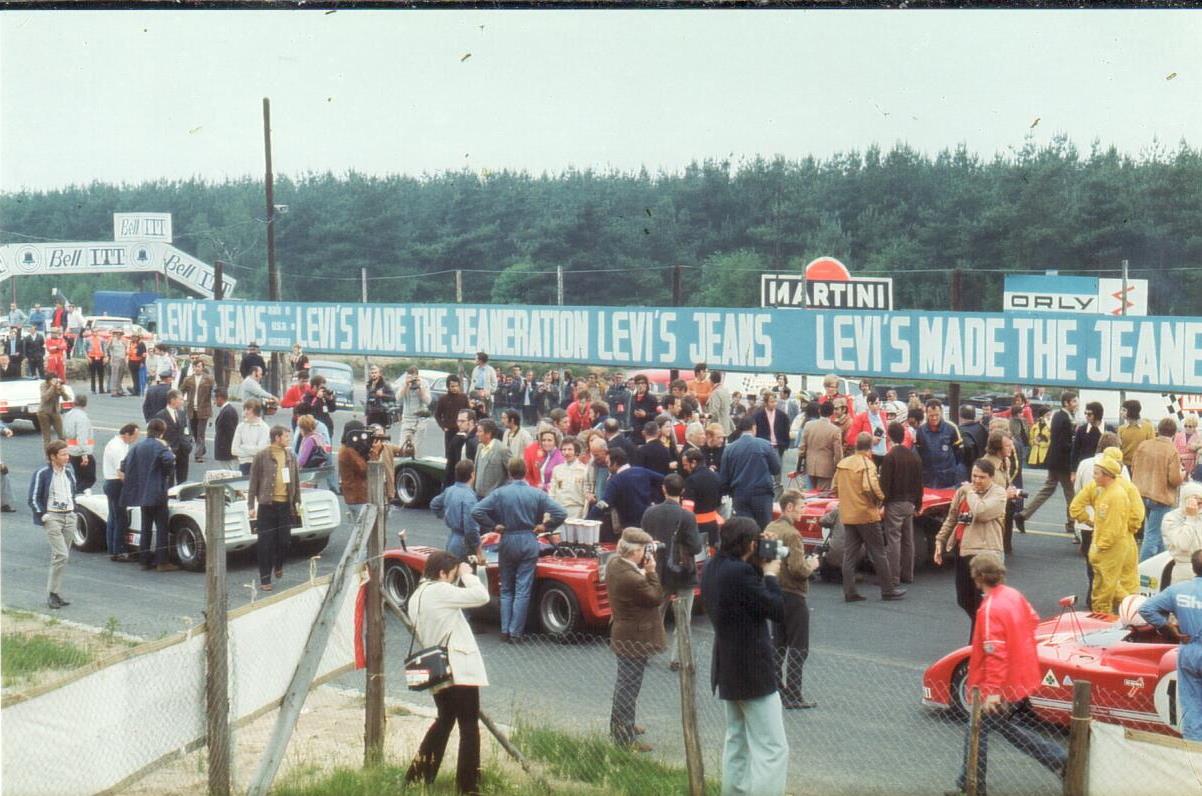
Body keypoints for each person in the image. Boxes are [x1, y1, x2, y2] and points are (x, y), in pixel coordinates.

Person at [947, 553, 1066, 795]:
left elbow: (995, 653)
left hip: (1000, 683)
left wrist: (991, 692)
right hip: (1020, 674)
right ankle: (968, 781)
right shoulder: (1013, 595)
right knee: (999, 727)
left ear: (977, 577)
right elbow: (1032, 621)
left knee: (978, 729)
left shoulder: (989, 608)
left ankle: (972, 783)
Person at [700, 517, 789, 796]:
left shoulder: (714, 566)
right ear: (751, 544)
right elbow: (777, 610)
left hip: (728, 667)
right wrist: (772, 573)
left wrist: (760, 553)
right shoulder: (741, 574)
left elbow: (745, 593)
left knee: (737, 741)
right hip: (752, 671)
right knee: (772, 748)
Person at [405, 551, 490, 794]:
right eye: (452, 576)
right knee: (469, 726)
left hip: (437, 669)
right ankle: (467, 786)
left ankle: (419, 776)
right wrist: (468, 574)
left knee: (444, 721)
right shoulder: (440, 590)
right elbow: (481, 596)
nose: (454, 580)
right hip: (457, 667)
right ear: (442, 573)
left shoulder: (416, 596)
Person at [471, 458, 567, 642]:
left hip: (507, 538)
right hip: (529, 539)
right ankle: (516, 632)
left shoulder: (500, 493)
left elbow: (477, 511)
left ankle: (505, 629)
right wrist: (545, 526)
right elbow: (560, 513)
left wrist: (493, 526)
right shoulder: (536, 493)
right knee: (523, 588)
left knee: (506, 588)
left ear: (509, 473)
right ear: (525, 472)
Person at [605, 527, 665, 751]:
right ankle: (623, 736)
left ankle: (623, 724)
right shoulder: (633, 578)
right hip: (634, 635)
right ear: (635, 552)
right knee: (629, 686)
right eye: (643, 550)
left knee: (626, 684)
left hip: (624, 630)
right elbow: (655, 597)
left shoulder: (614, 563)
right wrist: (651, 571)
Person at [935, 459, 1008, 635]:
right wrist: (940, 540)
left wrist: (970, 492)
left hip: (985, 555)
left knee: (981, 603)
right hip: (964, 550)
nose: (976, 480)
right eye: (974, 476)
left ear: (991, 477)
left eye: (981, 477)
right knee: (963, 599)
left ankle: (977, 641)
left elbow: (981, 512)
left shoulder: (998, 494)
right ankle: (980, 631)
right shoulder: (963, 492)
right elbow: (952, 518)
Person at [640, 474, 703, 671]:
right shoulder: (687, 516)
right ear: (682, 491)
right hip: (683, 572)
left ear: (663, 489)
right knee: (683, 617)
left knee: (655, 613)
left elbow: (644, 541)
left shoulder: (650, 513)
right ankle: (678, 658)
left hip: (657, 569)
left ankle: (645, 651)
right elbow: (695, 547)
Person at [764, 490, 819, 709]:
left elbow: (765, 558)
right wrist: (811, 565)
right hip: (793, 594)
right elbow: (798, 569)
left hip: (774, 590)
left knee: (778, 644)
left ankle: (778, 690)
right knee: (798, 646)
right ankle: (795, 694)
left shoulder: (770, 528)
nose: (803, 511)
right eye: (801, 506)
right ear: (789, 507)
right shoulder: (793, 535)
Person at [834, 433, 903, 602]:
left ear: (856, 445)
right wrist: (880, 500)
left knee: (849, 555)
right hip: (866, 514)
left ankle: (849, 591)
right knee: (879, 552)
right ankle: (888, 590)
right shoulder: (867, 464)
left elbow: (835, 486)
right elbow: (871, 486)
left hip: (848, 514)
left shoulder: (842, 464)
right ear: (870, 448)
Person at [247, 425, 301, 592]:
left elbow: (296, 482)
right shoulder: (262, 456)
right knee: (265, 543)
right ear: (277, 437)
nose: (288, 439)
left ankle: (278, 564)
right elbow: (253, 481)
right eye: (286, 436)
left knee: (284, 541)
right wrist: (250, 505)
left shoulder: (290, 456)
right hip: (267, 506)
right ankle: (265, 579)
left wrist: (297, 502)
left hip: (285, 506)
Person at [120, 418, 178, 572]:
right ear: (162, 432)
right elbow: (169, 459)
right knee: (161, 528)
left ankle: (144, 560)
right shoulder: (160, 446)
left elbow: (123, 465)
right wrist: (165, 473)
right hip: (158, 492)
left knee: (146, 527)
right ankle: (162, 561)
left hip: (143, 493)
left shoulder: (137, 447)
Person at [1019, 391, 1078, 538]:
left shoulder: (1058, 416)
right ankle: (1072, 523)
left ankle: (1023, 515)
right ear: (1067, 403)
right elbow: (1064, 444)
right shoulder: (1064, 418)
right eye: (1074, 401)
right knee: (1070, 493)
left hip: (1054, 461)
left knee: (1047, 490)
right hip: (1062, 463)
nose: (1077, 404)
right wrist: (1074, 445)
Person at [28, 440, 77, 609]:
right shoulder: (42, 473)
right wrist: (44, 515)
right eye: (63, 454)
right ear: (52, 456)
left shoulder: (69, 472)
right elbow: (33, 497)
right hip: (53, 518)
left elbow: (73, 492)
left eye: (67, 454)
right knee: (61, 555)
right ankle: (52, 593)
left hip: (69, 516)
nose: (67, 457)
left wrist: (73, 511)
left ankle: (56, 593)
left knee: (61, 557)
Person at [1132, 417, 1185, 561]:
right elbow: (1174, 480)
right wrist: (1183, 474)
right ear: (1173, 433)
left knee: (1160, 533)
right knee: (1153, 534)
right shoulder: (1172, 450)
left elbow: (1134, 466)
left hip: (1141, 493)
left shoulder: (1144, 445)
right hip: (1160, 497)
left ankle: (1159, 563)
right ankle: (1142, 569)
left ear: (1158, 430)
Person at [879, 422, 925, 589]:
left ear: (889, 436)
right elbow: (919, 482)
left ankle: (893, 577)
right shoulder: (914, 456)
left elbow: (885, 484)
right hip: (910, 502)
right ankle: (908, 574)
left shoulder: (889, 457)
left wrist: (882, 503)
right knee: (908, 540)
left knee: (894, 540)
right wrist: (918, 503)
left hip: (894, 503)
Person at [719, 415, 780, 529]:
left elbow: (724, 478)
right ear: (754, 427)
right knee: (765, 530)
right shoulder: (765, 445)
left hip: (740, 495)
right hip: (762, 495)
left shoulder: (729, 449)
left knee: (745, 530)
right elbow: (776, 469)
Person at [600, 446, 665, 530]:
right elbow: (665, 480)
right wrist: (656, 500)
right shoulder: (642, 471)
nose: (607, 466)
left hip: (629, 527)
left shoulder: (615, 481)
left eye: (608, 462)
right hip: (648, 521)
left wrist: (591, 516)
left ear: (615, 463)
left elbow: (604, 502)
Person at [430, 460, 482, 560]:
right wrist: (479, 551)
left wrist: (447, 515)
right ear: (472, 475)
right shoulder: (469, 497)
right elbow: (471, 529)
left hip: (451, 539)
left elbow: (434, 504)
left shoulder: (450, 490)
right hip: (464, 544)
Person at [914, 399, 963, 488]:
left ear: (941, 413)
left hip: (947, 478)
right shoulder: (921, 430)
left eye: (937, 415)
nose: (934, 418)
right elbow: (918, 453)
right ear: (926, 414)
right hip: (927, 478)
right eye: (931, 415)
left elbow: (959, 453)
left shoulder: (952, 428)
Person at [1163, 482, 1202, 587]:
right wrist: (1191, 518)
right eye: (1195, 499)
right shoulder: (1171, 518)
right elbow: (1183, 545)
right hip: (1184, 570)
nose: (1198, 504)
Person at [154, 389, 192, 485]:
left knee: (183, 478)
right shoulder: (161, 415)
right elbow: (158, 436)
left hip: (183, 450)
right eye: (181, 399)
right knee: (169, 479)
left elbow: (186, 430)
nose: (182, 402)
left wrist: (187, 443)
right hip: (170, 451)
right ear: (173, 400)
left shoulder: (182, 413)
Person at [180, 359, 215, 463]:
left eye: (199, 366)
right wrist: (182, 402)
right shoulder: (188, 379)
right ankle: (202, 448)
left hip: (204, 409)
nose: (197, 368)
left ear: (202, 367)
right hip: (191, 409)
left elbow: (213, 391)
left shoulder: (209, 379)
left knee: (200, 432)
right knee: (194, 432)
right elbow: (181, 391)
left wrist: (212, 401)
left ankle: (198, 455)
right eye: (195, 366)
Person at [338, 424, 372, 520]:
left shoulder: (346, 449)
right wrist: (373, 455)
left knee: (360, 528)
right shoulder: (349, 451)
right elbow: (363, 469)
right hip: (357, 496)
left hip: (353, 496)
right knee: (362, 530)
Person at [63, 394, 96, 492]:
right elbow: (82, 436)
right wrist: (84, 454)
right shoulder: (82, 417)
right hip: (80, 451)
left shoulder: (68, 415)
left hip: (71, 449)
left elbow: (64, 432)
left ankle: (76, 493)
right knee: (89, 479)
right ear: (85, 404)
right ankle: (77, 495)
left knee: (79, 477)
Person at [549, 436, 589, 519]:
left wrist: (584, 515)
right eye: (564, 450)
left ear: (576, 451)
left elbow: (586, 496)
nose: (566, 453)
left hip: (576, 511)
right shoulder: (557, 469)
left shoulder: (584, 470)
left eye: (570, 449)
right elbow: (552, 493)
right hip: (559, 511)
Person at [231, 398, 271, 476]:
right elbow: (234, 450)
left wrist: (243, 447)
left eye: (248, 409)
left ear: (256, 411)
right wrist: (252, 451)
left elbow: (260, 451)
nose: (245, 412)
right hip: (243, 466)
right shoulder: (241, 426)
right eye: (244, 409)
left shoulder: (264, 428)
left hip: (259, 465)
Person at [397, 365, 432, 449]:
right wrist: (406, 385)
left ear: (417, 376)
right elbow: (398, 399)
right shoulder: (404, 383)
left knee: (416, 449)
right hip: (407, 419)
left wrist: (420, 387)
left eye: (414, 377)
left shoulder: (424, 383)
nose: (412, 379)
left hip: (420, 419)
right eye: (410, 376)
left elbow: (428, 401)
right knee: (403, 447)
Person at [436, 375, 470, 458]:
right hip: (449, 430)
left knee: (461, 453)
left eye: (457, 386)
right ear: (448, 387)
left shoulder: (463, 397)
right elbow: (437, 415)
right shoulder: (443, 399)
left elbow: (469, 413)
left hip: (461, 430)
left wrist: (468, 427)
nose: (455, 388)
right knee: (449, 454)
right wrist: (443, 426)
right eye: (452, 386)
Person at [472, 419, 508, 498]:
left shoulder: (502, 449)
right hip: (478, 496)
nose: (476, 434)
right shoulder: (479, 447)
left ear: (488, 434)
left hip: (494, 498)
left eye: (479, 431)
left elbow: (512, 474)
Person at [445, 408, 479, 489]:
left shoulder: (476, 440)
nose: (459, 424)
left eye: (462, 421)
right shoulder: (458, 438)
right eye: (458, 421)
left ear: (471, 422)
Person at [1118, 399, 1156, 472]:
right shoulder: (1121, 429)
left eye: (1124, 410)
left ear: (1132, 411)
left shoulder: (1148, 427)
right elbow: (1119, 448)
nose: (1121, 412)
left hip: (1142, 467)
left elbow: (1151, 449)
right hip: (1125, 467)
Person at [754, 391, 791, 461]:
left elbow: (786, 430)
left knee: (777, 469)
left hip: (778, 446)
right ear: (765, 403)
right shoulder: (758, 416)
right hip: (763, 447)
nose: (774, 404)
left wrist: (785, 445)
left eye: (775, 401)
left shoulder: (782, 416)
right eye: (771, 402)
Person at [1069, 401, 1105, 474]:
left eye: (1089, 414)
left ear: (1097, 414)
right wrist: (1073, 471)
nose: (1086, 416)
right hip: (1084, 469)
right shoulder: (1081, 430)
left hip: (1103, 470)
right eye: (1085, 413)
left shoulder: (1109, 430)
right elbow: (1075, 451)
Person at [212, 387, 239, 471]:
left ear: (220, 398)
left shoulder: (227, 412)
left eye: (215, 398)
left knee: (228, 473)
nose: (214, 401)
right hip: (226, 450)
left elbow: (230, 433)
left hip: (226, 451)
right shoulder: (227, 410)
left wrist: (233, 450)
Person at [37, 374, 67, 447]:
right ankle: (49, 456)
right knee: (47, 437)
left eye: (56, 380)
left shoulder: (58, 385)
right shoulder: (43, 385)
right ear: (48, 380)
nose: (55, 382)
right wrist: (52, 387)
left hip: (55, 411)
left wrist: (61, 390)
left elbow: (66, 398)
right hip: (43, 412)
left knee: (62, 435)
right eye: (53, 380)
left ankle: (64, 453)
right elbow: (45, 398)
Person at [469, 352, 497, 416]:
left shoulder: (490, 369)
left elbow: (494, 383)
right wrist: (470, 392)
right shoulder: (475, 369)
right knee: (473, 411)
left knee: (484, 412)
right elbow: (473, 382)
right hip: (474, 392)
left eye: (476, 359)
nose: (475, 360)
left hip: (484, 393)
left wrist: (489, 391)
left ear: (480, 360)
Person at [104, 328, 128, 396]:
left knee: (120, 375)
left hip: (122, 358)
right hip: (115, 358)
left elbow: (127, 349)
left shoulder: (124, 340)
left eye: (120, 333)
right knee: (115, 375)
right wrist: (107, 356)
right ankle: (114, 391)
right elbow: (106, 348)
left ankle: (119, 390)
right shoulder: (111, 340)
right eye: (117, 333)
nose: (118, 334)